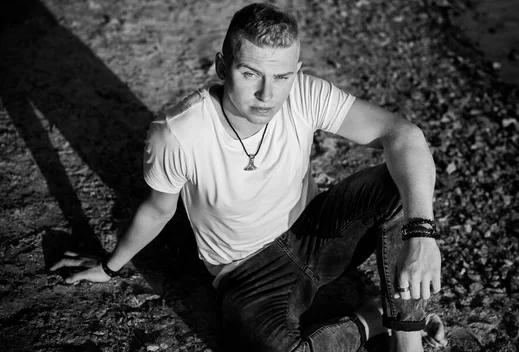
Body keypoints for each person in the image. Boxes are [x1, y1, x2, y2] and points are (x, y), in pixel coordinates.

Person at [51, 3, 448, 351]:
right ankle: (374, 319)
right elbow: (156, 211)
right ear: (223, 67)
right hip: (245, 272)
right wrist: (109, 267)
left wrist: (422, 233)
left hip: (315, 233)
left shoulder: (305, 93)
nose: (266, 95)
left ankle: (406, 339)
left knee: (400, 185)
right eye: (249, 73)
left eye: (281, 77)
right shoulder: (177, 133)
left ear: (297, 71)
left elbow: (404, 136)